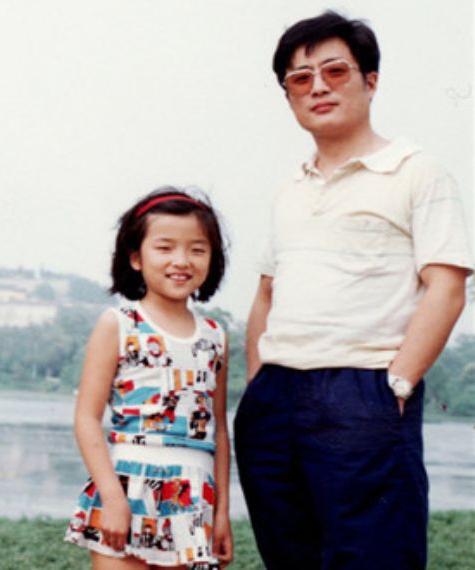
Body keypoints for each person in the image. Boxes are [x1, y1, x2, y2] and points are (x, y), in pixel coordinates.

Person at [233, 11, 473, 570]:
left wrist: (398, 382)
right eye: (299, 78)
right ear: (289, 96)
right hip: (276, 401)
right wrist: (259, 383)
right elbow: (267, 295)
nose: (317, 86)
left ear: (371, 80)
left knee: (373, 558)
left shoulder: (417, 172)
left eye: (334, 71)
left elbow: (447, 287)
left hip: (362, 392)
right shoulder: (290, 189)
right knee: (289, 555)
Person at [65, 187, 234, 569]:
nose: (181, 260)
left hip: (194, 499)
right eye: (165, 247)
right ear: (135, 257)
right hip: (127, 490)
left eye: (197, 249)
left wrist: (221, 512)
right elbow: (86, 418)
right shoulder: (119, 325)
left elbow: (219, 431)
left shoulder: (215, 336)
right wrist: (111, 497)